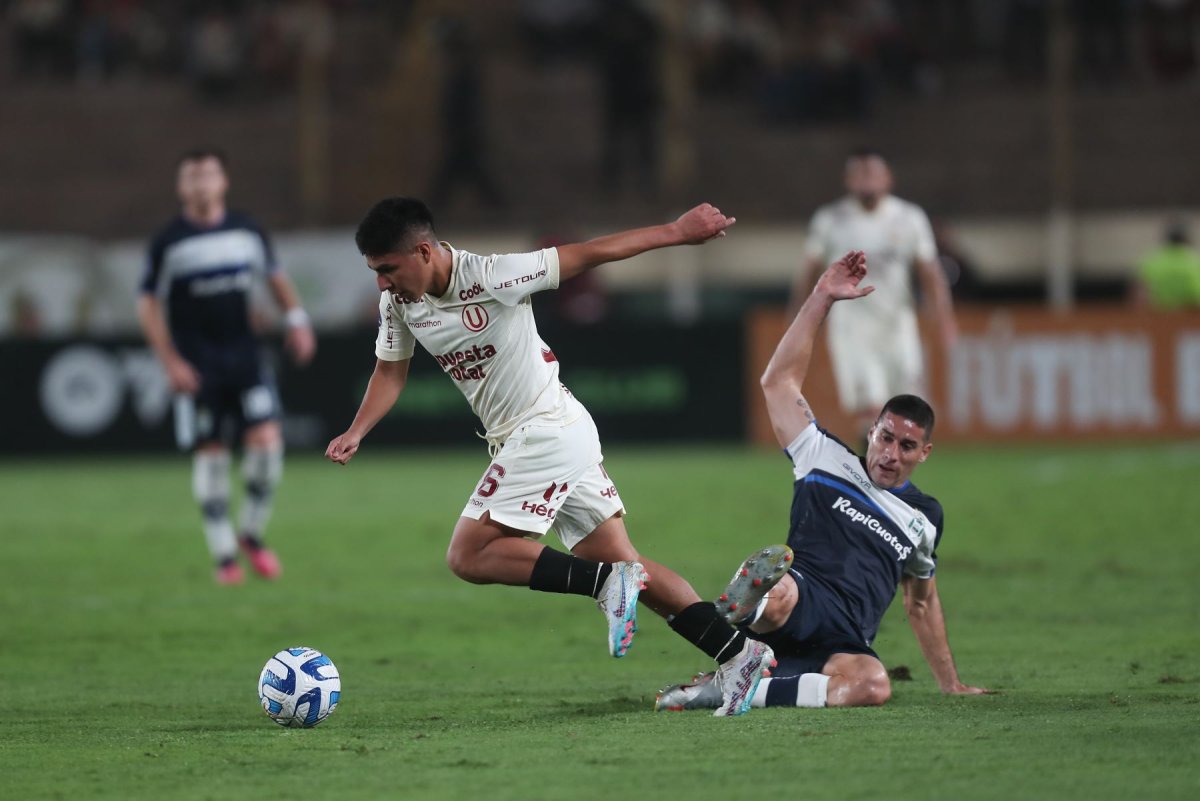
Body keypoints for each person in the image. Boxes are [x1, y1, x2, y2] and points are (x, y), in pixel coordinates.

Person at [325, 198, 773, 716]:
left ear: (423, 251)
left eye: (387, 269)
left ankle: (607, 586)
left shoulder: (494, 275)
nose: (381, 283)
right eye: (375, 272)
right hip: (552, 435)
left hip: (544, 432)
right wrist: (357, 430)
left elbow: (588, 253)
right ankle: (740, 654)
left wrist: (676, 231)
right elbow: (390, 371)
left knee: (468, 555)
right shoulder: (400, 304)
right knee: (627, 561)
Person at [656, 250, 988, 711]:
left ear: (924, 454)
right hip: (800, 601)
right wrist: (822, 297)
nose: (890, 454)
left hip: (844, 640)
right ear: (872, 430)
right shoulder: (823, 456)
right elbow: (778, 383)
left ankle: (736, 682)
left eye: (906, 447)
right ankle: (748, 608)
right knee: (779, 588)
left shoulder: (925, 518)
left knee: (874, 686)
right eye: (885, 437)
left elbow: (921, 604)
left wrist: (950, 682)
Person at [138, 148, 316, 585]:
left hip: (245, 359)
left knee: (268, 444)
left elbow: (274, 277)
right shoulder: (168, 241)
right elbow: (147, 304)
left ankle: (251, 534)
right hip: (198, 367)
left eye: (209, 174)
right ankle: (224, 557)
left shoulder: (246, 231)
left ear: (224, 182)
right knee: (212, 452)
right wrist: (170, 361)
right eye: (192, 176)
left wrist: (297, 320)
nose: (201, 183)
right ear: (181, 187)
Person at [787, 148, 956, 442]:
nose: (867, 179)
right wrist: (798, 321)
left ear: (888, 178)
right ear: (848, 180)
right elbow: (808, 272)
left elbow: (930, 272)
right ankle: (871, 480)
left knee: (907, 410)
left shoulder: (909, 217)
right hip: (852, 328)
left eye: (873, 172)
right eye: (860, 173)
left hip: (897, 325)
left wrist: (944, 318)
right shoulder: (831, 219)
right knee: (873, 412)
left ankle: (887, 480)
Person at [1130, 221, 1200, 310]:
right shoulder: (1195, 260)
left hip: (1158, 316)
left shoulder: (1151, 261)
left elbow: (1139, 296)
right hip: (1190, 316)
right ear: (1187, 239)